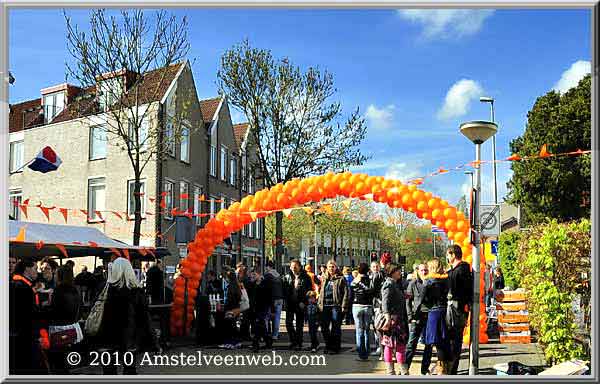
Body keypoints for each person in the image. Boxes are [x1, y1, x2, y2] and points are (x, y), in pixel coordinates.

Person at [95, 258, 156, 374]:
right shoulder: (136, 292)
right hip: (129, 338)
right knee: (130, 370)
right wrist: (154, 343)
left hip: (107, 336)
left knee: (108, 371)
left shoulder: (105, 288)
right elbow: (145, 318)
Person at [9, 257, 48, 374]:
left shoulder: (18, 284)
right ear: (27, 269)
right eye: (35, 268)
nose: (37, 271)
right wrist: (38, 336)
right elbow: (28, 316)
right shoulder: (22, 287)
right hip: (25, 339)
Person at [47, 265, 82, 374]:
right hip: (72, 327)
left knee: (57, 362)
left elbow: (54, 310)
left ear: (60, 276)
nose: (54, 275)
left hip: (59, 329)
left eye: (56, 274)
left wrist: (48, 303)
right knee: (64, 360)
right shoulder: (75, 289)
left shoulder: (58, 290)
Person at [446, 245, 473, 375]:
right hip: (459, 309)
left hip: (456, 310)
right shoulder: (464, 268)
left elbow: (456, 290)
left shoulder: (458, 271)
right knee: (455, 340)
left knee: (454, 341)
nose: (447, 258)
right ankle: (452, 369)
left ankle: (452, 371)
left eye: (448, 255)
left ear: (452, 255)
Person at [423, 258, 451, 375]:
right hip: (444, 311)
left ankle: (431, 368)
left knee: (432, 342)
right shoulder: (446, 280)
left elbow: (425, 299)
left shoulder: (429, 282)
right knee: (444, 341)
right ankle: (445, 367)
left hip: (433, 312)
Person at [380, 262, 409, 375]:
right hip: (392, 320)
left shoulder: (396, 283)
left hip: (399, 319)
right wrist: (387, 317)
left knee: (396, 345)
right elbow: (385, 302)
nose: (400, 272)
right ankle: (395, 370)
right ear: (392, 272)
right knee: (392, 345)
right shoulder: (389, 284)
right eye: (398, 270)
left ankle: (398, 370)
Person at [405, 263, 433, 375]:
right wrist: (410, 316)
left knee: (428, 344)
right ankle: (405, 368)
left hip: (429, 316)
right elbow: (407, 301)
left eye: (426, 270)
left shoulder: (431, 283)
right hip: (416, 317)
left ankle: (424, 369)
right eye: (422, 270)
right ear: (418, 271)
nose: (424, 272)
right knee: (411, 343)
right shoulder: (412, 284)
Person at [317, 259, 349, 354]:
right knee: (324, 327)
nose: (331, 268)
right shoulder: (324, 278)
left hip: (336, 306)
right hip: (324, 305)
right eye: (329, 266)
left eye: (333, 266)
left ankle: (335, 348)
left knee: (335, 328)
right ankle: (328, 345)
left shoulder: (341, 278)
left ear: (336, 267)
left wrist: (344, 305)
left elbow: (346, 293)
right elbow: (320, 291)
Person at [282, 259, 313, 351]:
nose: (293, 268)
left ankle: (298, 343)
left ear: (300, 267)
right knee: (288, 323)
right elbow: (284, 290)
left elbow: (309, 291)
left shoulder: (306, 277)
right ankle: (294, 341)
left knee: (299, 325)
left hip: (301, 304)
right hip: (290, 303)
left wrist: (304, 302)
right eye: (292, 267)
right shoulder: (287, 276)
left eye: (295, 266)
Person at [350, 262, 373, 361]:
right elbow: (371, 291)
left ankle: (361, 354)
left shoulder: (355, 280)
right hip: (368, 306)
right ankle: (367, 353)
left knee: (359, 331)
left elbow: (351, 288)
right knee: (367, 330)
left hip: (357, 306)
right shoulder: (370, 280)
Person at [370, 257, 387, 359]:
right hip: (373, 304)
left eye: (377, 266)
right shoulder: (370, 277)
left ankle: (383, 349)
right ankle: (379, 347)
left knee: (380, 328)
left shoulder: (380, 276)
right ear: (371, 268)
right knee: (376, 328)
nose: (375, 268)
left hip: (379, 305)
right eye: (373, 267)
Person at [220, 268, 242, 349]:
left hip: (230, 308)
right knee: (234, 326)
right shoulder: (237, 285)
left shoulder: (230, 287)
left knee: (228, 326)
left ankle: (229, 343)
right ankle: (236, 342)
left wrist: (225, 307)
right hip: (236, 308)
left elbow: (229, 299)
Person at [251, 271, 273, 352]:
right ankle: (268, 341)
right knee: (261, 325)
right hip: (255, 307)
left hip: (263, 307)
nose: (252, 276)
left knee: (258, 325)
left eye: (254, 274)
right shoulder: (253, 284)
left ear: (259, 274)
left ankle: (255, 344)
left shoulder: (265, 283)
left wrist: (271, 308)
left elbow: (269, 295)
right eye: (252, 274)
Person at [264, 261, 283, 340]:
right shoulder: (279, 275)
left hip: (271, 299)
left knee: (266, 317)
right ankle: (275, 335)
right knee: (277, 317)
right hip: (280, 298)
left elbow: (266, 289)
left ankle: (266, 334)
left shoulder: (267, 275)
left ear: (268, 267)